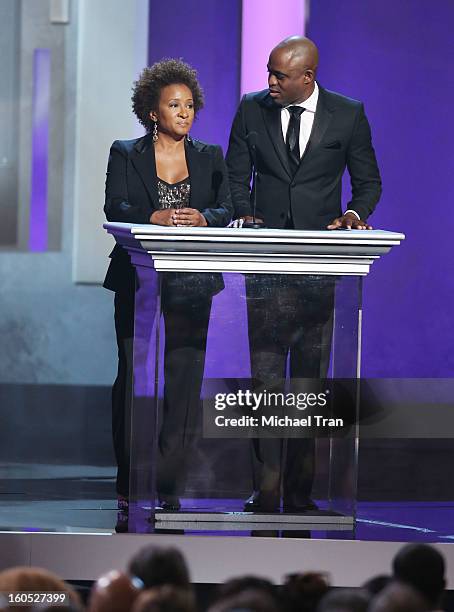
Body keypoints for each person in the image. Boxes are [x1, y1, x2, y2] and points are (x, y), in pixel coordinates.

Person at [226, 36, 382, 512]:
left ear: (307, 77)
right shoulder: (252, 110)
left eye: (279, 75)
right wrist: (244, 214)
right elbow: (236, 177)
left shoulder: (347, 113)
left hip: (319, 267)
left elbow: (368, 182)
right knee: (265, 381)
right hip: (266, 264)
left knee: (309, 385)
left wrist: (354, 215)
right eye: (268, 73)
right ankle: (265, 487)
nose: (269, 82)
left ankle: (299, 491)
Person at [104, 59, 232, 513]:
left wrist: (204, 217)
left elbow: (227, 206)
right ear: (153, 112)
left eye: (190, 105)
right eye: (174, 105)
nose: (185, 112)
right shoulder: (126, 152)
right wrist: (152, 216)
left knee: (184, 380)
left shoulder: (209, 156)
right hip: (138, 276)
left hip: (192, 278)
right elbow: (115, 204)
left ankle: (168, 479)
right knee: (132, 376)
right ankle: (131, 477)